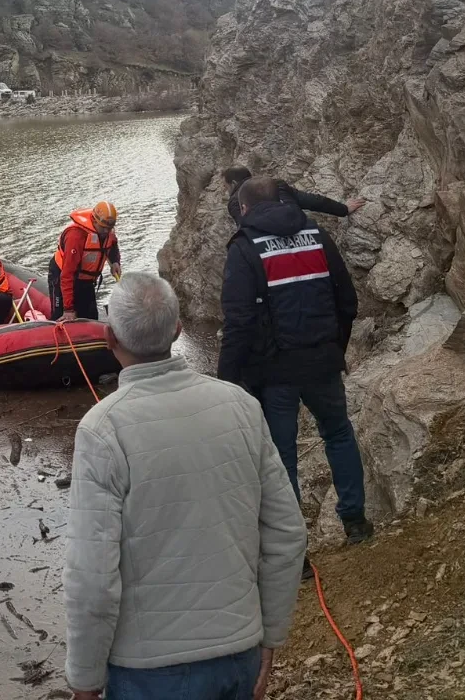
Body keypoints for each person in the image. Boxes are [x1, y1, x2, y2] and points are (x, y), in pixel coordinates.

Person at [65, 272, 307, 700]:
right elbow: (287, 534)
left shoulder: (101, 431)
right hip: (239, 653)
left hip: (148, 673)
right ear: (177, 330)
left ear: (108, 338)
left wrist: (84, 682)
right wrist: (270, 637)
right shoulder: (241, 406)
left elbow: (93, 579)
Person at [217, 176, 374, 563]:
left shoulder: (245, 247)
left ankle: (296, 557)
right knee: (339, 434)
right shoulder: (317, 236)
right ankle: (356, 522)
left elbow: (239, 323)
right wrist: (335, 349)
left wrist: (227, 382)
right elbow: (347, 301)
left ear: (246, 209)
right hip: (322, 362)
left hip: (273, 376)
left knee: (281, 458)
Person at [49, 201, 122, 321]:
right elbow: (67, 275)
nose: (106, 232)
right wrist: (68, 309)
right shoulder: (76, 237)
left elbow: (112, 246)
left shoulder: (108, 231)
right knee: (60, 317)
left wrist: (115, 262)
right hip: (63, 275)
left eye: (109, 228)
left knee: (91, 316)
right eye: (103, 228)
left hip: (86, 279)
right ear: (94, 221)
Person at [222, 166, 366, 224]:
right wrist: (343, 209)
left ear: (233, 183)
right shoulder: (276, 183)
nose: (226, 191)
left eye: (226, 187)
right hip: (301, 233)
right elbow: (311, 200)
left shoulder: (236, 201)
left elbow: (246, 230)